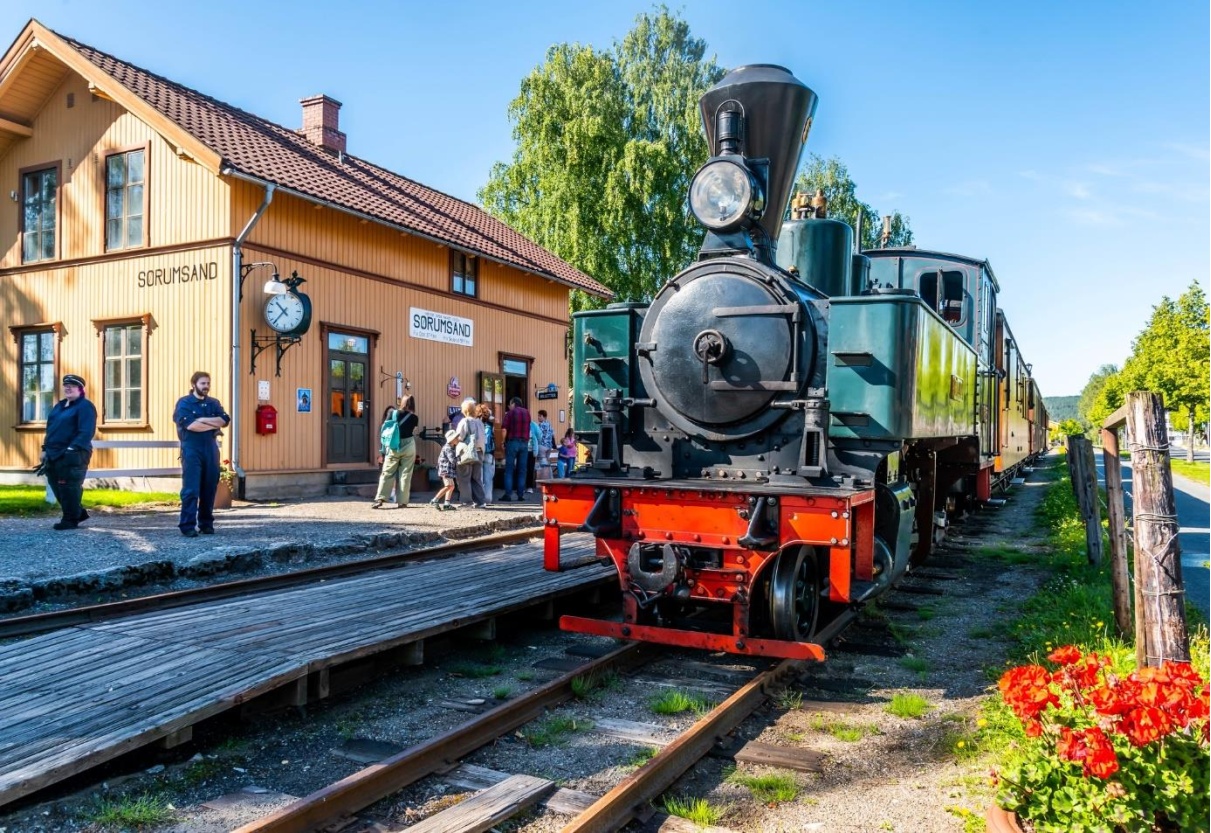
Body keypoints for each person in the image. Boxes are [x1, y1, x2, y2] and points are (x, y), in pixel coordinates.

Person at [173, 371, 231, 537]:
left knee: (209, 487)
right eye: (202, 383)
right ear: (194, 384)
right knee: (191, 489)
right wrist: (213, 424)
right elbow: (190, 426)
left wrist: (202, 421)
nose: (206, 386)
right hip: (191, 449)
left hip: (211, 449)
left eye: (207, 383)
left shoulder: (213, 403)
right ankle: (187, 525)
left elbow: (225, 420)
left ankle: (206, 523)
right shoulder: (184, 403)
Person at [40, 374, 97, 530]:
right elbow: (50, 430)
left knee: (69, 486)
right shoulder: (59, 407)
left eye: (72, 386)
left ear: (80, 389)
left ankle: (70, 519)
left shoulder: (85, 406)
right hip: (53, 453)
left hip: (74, 454)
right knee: (55, 484)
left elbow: (86, 431)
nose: (68, 388)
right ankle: (77, 513)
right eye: (66, 385)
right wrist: (44, 449)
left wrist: (72, 449)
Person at [372, 395, 418, 509]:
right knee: (405, 474)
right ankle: (402, 501)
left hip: (393, 445)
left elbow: (386, 428)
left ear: (402, 403)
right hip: (408, 445)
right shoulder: (414, 417)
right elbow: (413, 430)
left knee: (387, 472)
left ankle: (380, 499)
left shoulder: (392, 413)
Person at [454, 397, 487, 507]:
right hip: (480, 452)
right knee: (476, 478)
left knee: (464, 477)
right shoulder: (480, 423)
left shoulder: (464, 421)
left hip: (467, 453)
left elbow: (460, 437)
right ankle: (481, 501)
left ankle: (466, 501)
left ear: (464, 410)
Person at [500, 396, 530, 502]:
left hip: (513, 442)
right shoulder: (527, 413)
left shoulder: (510, 413)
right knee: (522, 470)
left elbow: (504, 429)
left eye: (510, 404)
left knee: (509, 469)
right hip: (524, 443)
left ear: (513, 404)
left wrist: (503, 441)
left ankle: (508, 495)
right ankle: (520, 495)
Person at [429, 430, 460, 510]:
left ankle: (447, 503)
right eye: (456, 437)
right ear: (452, 439)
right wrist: (460, 457)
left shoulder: (450, 447)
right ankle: (434, 500)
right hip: (446, 470)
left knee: (452, 486)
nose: (458, 439)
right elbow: (452, 460)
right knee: (448, 486)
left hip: (448, 470)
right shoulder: (448, 448)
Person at [476, 403, 497, 502]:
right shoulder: (491, 424)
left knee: (479, 477)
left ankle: (480, 498)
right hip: (489, 452)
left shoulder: (475, 424)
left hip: (478, 451)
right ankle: (488, 498)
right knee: (488, 477)